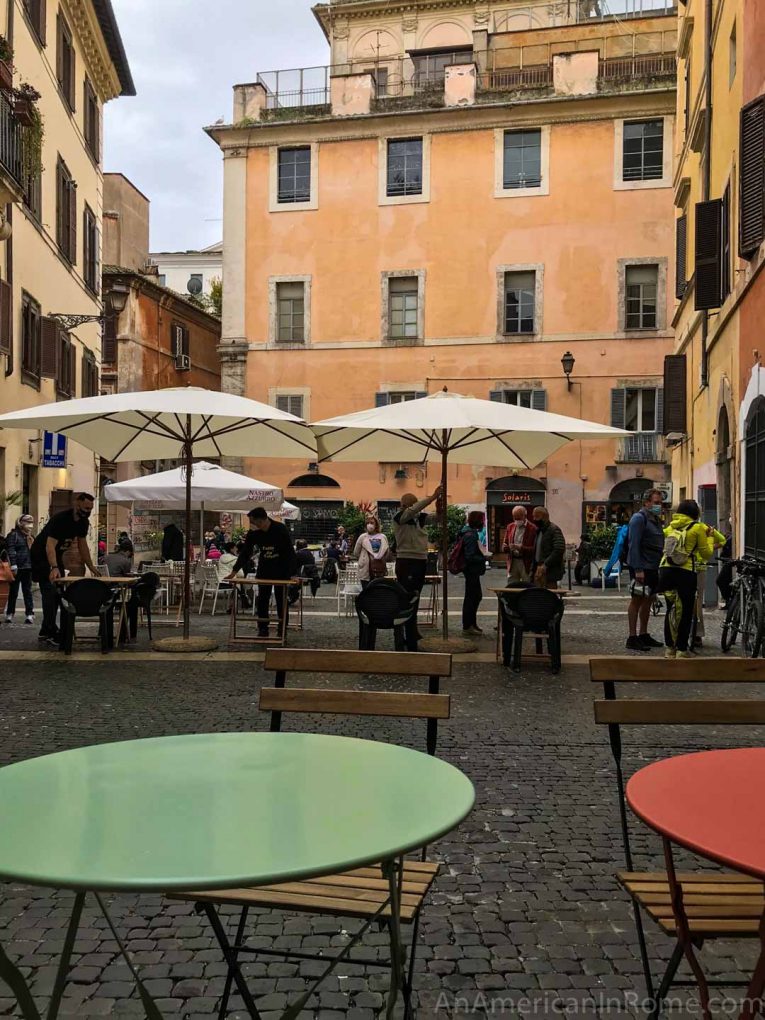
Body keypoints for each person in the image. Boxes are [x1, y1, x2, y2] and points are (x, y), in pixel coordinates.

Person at [30, 492, 99, 643]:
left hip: (57, 556)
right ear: (77, 504)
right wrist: (53, 567)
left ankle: (47, 630)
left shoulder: (83, 523)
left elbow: (83, 546)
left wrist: (91, 567)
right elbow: (49, 545)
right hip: (41, 556)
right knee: (50, 593)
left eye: (90, 509)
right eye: (86, 508)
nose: (88, 511)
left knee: (60, 594)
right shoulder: (61, 519)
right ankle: (49, 631)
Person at [226, 507, 298, 637]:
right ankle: (262, 627)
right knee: (262, 599)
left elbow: (290, 552)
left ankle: (282, 629)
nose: (252, 525)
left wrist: (292, 573)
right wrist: (234, 571)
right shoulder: (253, 533)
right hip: (264, 568)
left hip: (281, 569)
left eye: (253, 522)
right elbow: (245, 553)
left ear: (262, 520)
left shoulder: (280, 529)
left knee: (281, 600)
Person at [658, 499, 712, 659]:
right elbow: (706, 554)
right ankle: (682, 649)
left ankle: (669, 648)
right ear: (696, 513)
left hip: (666, 570)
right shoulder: (697, 528)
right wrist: (708, 537)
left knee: (671, 610)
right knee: (686, 611)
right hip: (686, 572)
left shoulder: (669, 528)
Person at [393, 486, 441, 650]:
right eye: (413, 505)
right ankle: (407, 634)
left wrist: (440, 505)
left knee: (416, 597)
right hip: (406, 560)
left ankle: (412, 630)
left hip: (420, 560)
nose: (416, 508)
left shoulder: (420, 519)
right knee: (407, 598)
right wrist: (433, 496)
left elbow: (437, 519)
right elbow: (415, 509)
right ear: (406, 506)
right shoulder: (400, 517)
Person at [625, 488, 665, 651]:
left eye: (661, 503)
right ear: (647, 502)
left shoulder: (655, 519)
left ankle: (643, 634)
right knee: (637, 601)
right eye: (656, 503)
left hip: (653, 567)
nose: (659, 506)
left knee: (648, 600)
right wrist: (638, 569)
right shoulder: (638, 519)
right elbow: (633, 544)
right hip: (642, 567)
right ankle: (632, 637)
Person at [694, 521, 726, 646]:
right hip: (700, 568)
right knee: (697, 602)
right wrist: (709, 546)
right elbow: (722, 540)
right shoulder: (704, 527)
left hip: (681, 567)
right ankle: (698, 634)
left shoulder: (677, 526)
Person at [5, 514, 35, 625]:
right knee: (13, 592)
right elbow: (11, 550)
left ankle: (30, 614)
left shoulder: (30, 536)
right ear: (20, 523)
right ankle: (10, 613)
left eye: (31, 523)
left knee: (27, 591)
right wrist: (13, 565)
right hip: (17, 568)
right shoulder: (14, 535)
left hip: (28, 567)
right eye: (27, 522)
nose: (30, 525)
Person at [461, 510, 488, 635]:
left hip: (471, 571)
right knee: (473, 597)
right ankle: (468, 625)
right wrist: (484, 558)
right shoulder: (470, 535)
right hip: (472, 570)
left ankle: (471, 623)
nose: (483, 522)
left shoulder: (468, 533)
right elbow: (470, 556)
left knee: (474, 596)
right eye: (482, 520)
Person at [530, 507, 566, 589]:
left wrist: (545, 564)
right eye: (533, 516)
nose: (534, 519)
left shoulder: (554, 529)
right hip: (538, 567)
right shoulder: (539, 530)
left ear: (545, 517)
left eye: (537, 516)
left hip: (550, 569)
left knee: (549, 594)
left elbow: (559, 549)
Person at [502, 505, 537, 585]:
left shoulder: (532, 528)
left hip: (526, 562)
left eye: (519, 518)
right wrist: (505, 547)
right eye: (515, 518)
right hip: (513, 561)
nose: (517, 520)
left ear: (525, 516)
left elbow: (535, 549)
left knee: (527, 585)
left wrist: (521, 548)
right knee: (511, 585)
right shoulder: (510, 527)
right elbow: (505, 543)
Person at [353, 515, 390, 587]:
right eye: (367, 523)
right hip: (365, 570)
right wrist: (363, 559)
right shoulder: (362, 537)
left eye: (372, 523)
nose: (369, 525)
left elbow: (386, 552)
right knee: (366, 590)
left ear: (376, 524)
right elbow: (356, 552)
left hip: (379, 569)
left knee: (377, 591)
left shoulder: (383, 537)